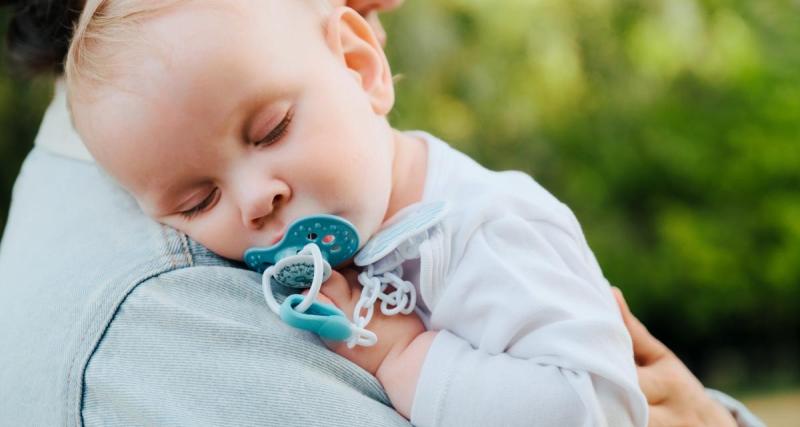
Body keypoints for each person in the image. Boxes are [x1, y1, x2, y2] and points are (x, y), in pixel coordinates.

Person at [0, 0, 763, 426]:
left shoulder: (484, 230)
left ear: (359, 65)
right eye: (197, 202)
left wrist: (405, 359)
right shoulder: (162, 318)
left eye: (270, 132)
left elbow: (589, 409)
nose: (254, 199)